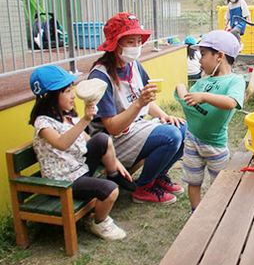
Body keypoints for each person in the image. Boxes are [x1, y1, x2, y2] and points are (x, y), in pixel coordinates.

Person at [88, 12, 186, 205]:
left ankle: (158, 177)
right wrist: (138, 104)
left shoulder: (133, 65)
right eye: (130, 42)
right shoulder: (100, 76)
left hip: (134, 129)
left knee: (184, 128)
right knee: (170, 136)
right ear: (115, 44)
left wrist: (164, 116)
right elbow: (113, 128)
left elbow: (147, 100)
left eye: (138, 41)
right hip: (113, 142)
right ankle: (145, 188)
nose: (136, 47)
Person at [29, 65, 128, 240]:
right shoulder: (42, 123)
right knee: (111, 191)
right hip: (63, 180)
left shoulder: (68, 116)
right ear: (47, 96)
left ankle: (114, 176)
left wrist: (115, 160)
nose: (73, 95)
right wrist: (85, 119)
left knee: (102, 139)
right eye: (67, 91)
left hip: (78, 167)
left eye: (71, 90)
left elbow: (90, 141)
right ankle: (98, 223)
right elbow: (61, 143)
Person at [174, 30, 245, 212]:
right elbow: (188, 103)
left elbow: (231, 103)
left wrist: (204, 97)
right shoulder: (202, 82)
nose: (200, 60)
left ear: (219, 56)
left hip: (215, 145)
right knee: (193, 181)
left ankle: (219, 214)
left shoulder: (235, 81)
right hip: (192, 140)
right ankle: (195, 213)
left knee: (220, 184)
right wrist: (181, 89)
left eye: (203, 54)